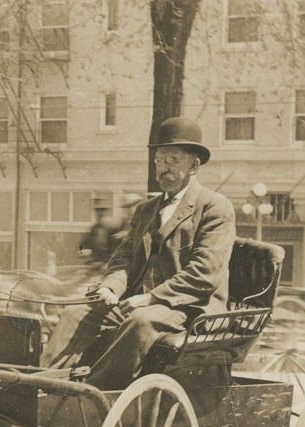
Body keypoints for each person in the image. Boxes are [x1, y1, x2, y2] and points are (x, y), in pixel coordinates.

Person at [43, 117, 235, 390]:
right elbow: (122, 259)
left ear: (194, 165)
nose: (163, 168)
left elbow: (204, 274)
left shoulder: (215, 208)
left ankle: (94, 394)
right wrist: (111, 288)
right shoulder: (146, 210)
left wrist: (149, 298)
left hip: (191, 309)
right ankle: (43, 385)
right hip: (141, 303)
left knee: (140, 321)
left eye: (173, 160)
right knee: (74, 315)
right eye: (159, 160)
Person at [77, 198, 119, 266]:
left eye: (102, 210)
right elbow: (82, 244)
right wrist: (81, 252)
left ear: (107, 212)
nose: (100, 213)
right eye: (97, 210)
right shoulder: (94, 229)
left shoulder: (113, 229)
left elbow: (117, 251)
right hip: (94, 263)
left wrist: (107, 263)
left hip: (108, 265)